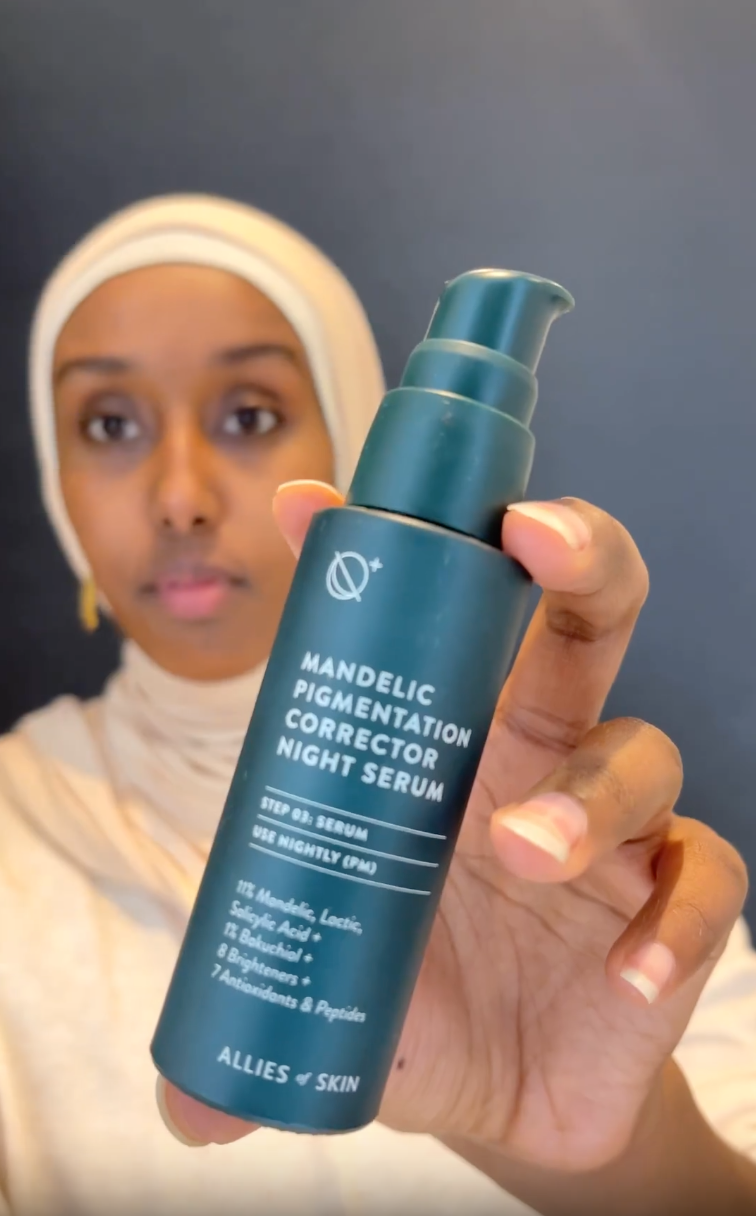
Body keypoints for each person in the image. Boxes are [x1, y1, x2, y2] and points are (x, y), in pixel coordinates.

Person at [0, 194, 754, 1216]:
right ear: (57, 481)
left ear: (352, 427)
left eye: (250, 414)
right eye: (110, 424)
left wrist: (630, 1163)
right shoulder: (17, 830)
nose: (180, 498)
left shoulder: (562, 851)